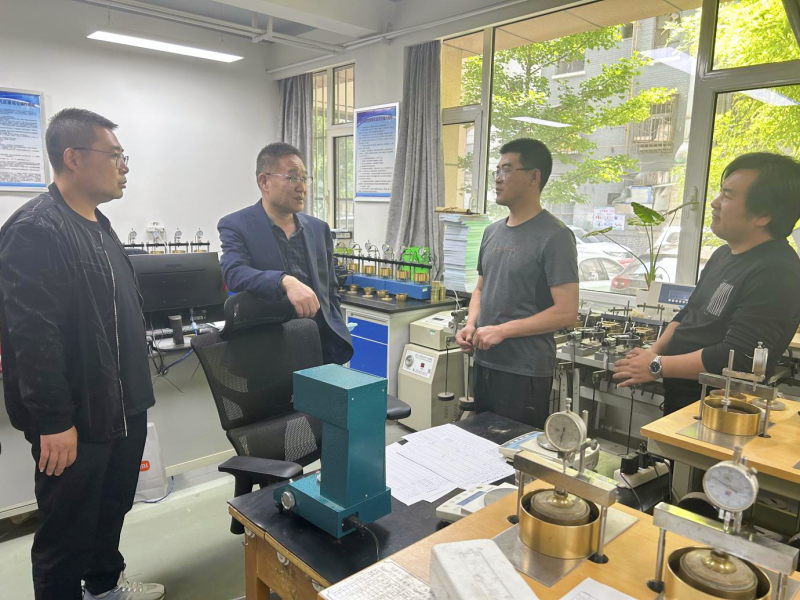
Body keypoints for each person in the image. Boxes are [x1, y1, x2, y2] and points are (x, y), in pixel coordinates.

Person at [0, 109, 164, 599]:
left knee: (111, 509)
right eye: (115, 155)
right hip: (77, 417)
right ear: (72, 158)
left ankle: (105, 586)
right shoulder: (36, 229)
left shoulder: (99, 224)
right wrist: (53, 421)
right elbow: (33, 336)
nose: (124, 166)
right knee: (66, 531)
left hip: (123, 406)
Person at [613, 152, 800, 414]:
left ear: (763, 214)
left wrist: (657, 365)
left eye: (728, 196)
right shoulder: (723, 254)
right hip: (684, 394)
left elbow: (739, 356)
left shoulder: (777, 270)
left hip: (721, 407)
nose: (715, 203)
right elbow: (690, 312)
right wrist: (652, 353)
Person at [455, 138, 579, 428]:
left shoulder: (555, 236)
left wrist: (501, 331)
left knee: (514, 448)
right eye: (497, 170)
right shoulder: (492, 232)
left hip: (524, 371)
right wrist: (471, 324)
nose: (498, 179)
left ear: (534, 176)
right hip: (484, 363)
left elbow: (566, 312)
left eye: (507, 170)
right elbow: (481, 289)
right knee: (482, 441)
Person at [218, 142, 353, 364]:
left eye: (304, 179)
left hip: (319, 346)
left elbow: (329, 288)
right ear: (264, 181)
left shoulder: (318, 229)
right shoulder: (236, 225)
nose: (302, 187)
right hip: (268, 350)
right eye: (292, 178)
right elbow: (234, 272)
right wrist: (284, 281)